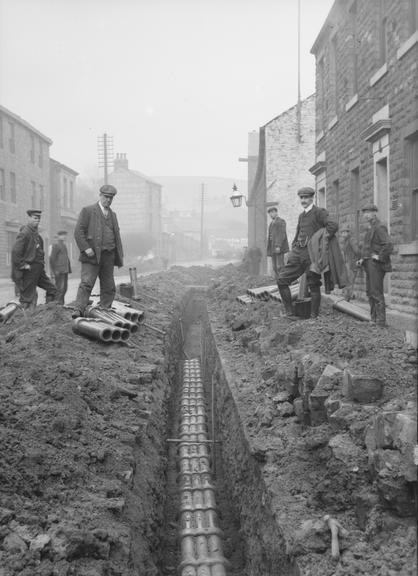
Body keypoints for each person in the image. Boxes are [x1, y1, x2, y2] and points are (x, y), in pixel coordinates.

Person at [277, 186, 338, 319]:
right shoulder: (301, 215)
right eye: (301, 198)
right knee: (282, 280)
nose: (303, 200)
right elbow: (298, 233)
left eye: (306, 197)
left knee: (313, 285)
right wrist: (293, 248)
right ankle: (290, 313)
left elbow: (333, 225)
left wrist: (321, 241)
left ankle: (313, 316)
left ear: (312, 198)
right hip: (298, 254)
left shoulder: (319, 212)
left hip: (312, 256)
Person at [72, 184, 124, 318]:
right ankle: (78, 309)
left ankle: (105, 309)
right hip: (92, 256)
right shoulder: (88, 211)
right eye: (106, 197)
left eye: (111, 198)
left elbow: (116, 236)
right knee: (87, 283)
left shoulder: (113, 215)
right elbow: (78, 232)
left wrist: (117, 254)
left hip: (108, 256)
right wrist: (86, 248)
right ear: (100, 196)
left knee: (109, 286)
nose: (108, 200)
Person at [11, 209, 57, 309]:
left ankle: (48, 313)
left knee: (52, 289)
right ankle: (26, 321)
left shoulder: (35, 234)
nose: (37, 220)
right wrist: (23, 265)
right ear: (29, 218)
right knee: (28, 298)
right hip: (29, 271)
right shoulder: (25, 233)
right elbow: (15, 252)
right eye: (35, 218)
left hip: (39, 270)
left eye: (39, 219)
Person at [357, 203, 393, 326]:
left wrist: (380, 256)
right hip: (368, 263)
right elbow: (368, 247)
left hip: (376, 265)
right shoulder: (370, 228)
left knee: (376, 292)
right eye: (364, 213)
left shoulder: (379, 227)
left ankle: (381, 322)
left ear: (374, 213)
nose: (366, 215)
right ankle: (373, 319)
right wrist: (362, 259)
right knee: (370, 292)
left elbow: (388, 244)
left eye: (368, 212)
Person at [266, 204, 289, 282]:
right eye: (270, 213)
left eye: (272, 212)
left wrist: (278, 246)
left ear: (276, 212)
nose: (271, 214)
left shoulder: (281, 222)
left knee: (280, 266)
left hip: (278, 247)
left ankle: (283, 281)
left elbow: (281, 234)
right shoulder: (271, 224)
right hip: (272, 248)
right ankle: (278, 282)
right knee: (274, 267)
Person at [49, 230, 72, 305]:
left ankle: (61, 303)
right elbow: (52, 258)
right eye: (62, 235)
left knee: (64, 288)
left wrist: (69, 269)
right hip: (59, 270)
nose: (64, 237)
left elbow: (66, 258)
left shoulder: (63, 245)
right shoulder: (56, 245)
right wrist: (55, 270)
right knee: (60, 288)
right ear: (58, 236)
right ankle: (58, 304)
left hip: (64, 270)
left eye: (65, 235)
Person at [340, 225, 360, 301]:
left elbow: (357, 251)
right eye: (342, 232)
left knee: (350, 282)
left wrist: (357, 260)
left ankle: (347, 299)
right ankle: (347, 297)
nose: (343, 234)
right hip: (347, 264)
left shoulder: (351, 240)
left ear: (348, 233)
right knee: (347, 281)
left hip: (352, 264)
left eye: (344, 232)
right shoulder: (345, 241)